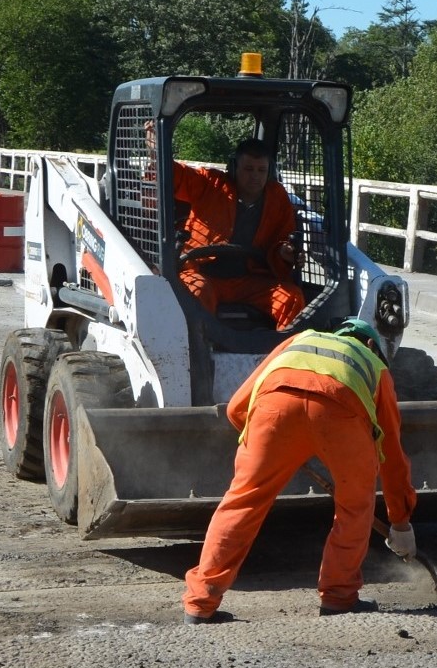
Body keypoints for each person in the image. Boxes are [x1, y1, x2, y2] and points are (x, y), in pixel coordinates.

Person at [183, 320, 418, 622]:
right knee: (355, 506)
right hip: (341, 414)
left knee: (242, 502)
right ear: (372, 345)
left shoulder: (299, 340)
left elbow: (234, 409)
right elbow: (392, 456)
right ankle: (338, 598)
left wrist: (278, 445)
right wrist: (400, 523)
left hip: (273, 412)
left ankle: (200, 604)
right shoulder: (375, 365)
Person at [174, 138, 310, 328]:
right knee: (197, 291)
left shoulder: (277, 197)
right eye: (248, 169)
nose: (255, 176)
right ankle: (199, 351)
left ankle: (283, 353)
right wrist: (156, 150)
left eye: (261, 170)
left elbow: (282, 241)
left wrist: (285, 253)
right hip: (202, 274)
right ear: (234, 168)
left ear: (269, 171)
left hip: (248, 280)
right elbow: (174, 175)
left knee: (291, 298)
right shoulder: (209, 183)